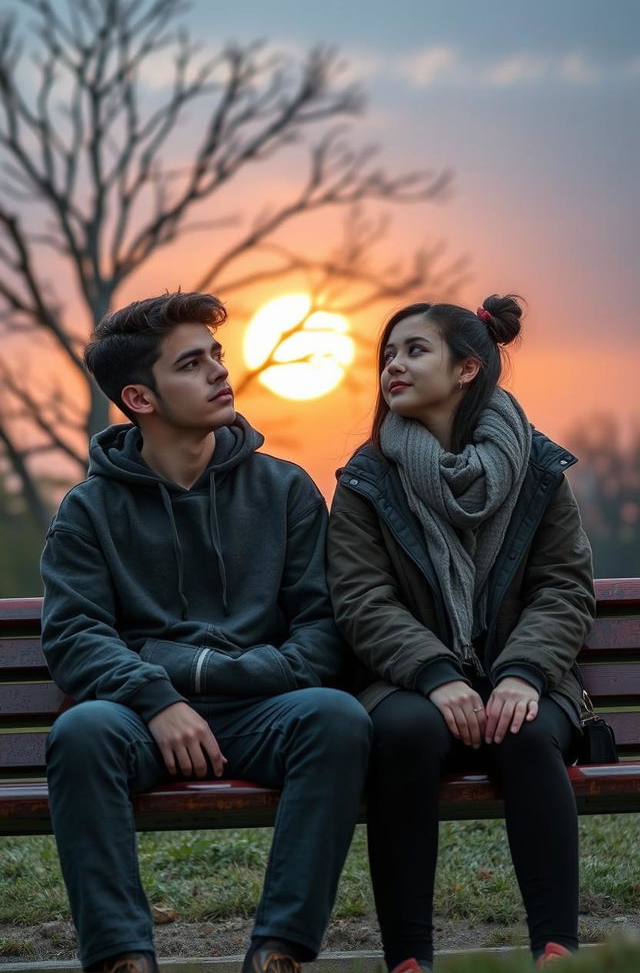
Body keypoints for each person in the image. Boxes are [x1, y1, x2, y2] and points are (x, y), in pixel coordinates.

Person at [41, 291, 371, 973]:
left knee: (336, 717)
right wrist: (159, 699)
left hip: (262, 709)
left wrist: (225, 675)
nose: (220, 372)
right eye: (192, 364)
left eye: (217, 356)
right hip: (144, 721)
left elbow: (323, 628)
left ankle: (278, 953)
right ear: (141, 397)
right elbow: (74, 634)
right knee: (81, 733)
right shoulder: (88, 509)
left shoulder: (285, 490)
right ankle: (122, 960)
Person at [327, 296, 595, 972]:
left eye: (414, 350)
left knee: (527, 733)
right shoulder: (367, 479)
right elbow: (361, 599)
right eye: (387, 353)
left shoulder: (536, 469)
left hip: (525, 675)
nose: (393, 364)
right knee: (407, 733)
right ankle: (410, 961)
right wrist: (437, 673)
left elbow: (563, 586)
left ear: (468, 367)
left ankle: (556, 951)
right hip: (407, 683)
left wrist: (523, 672)